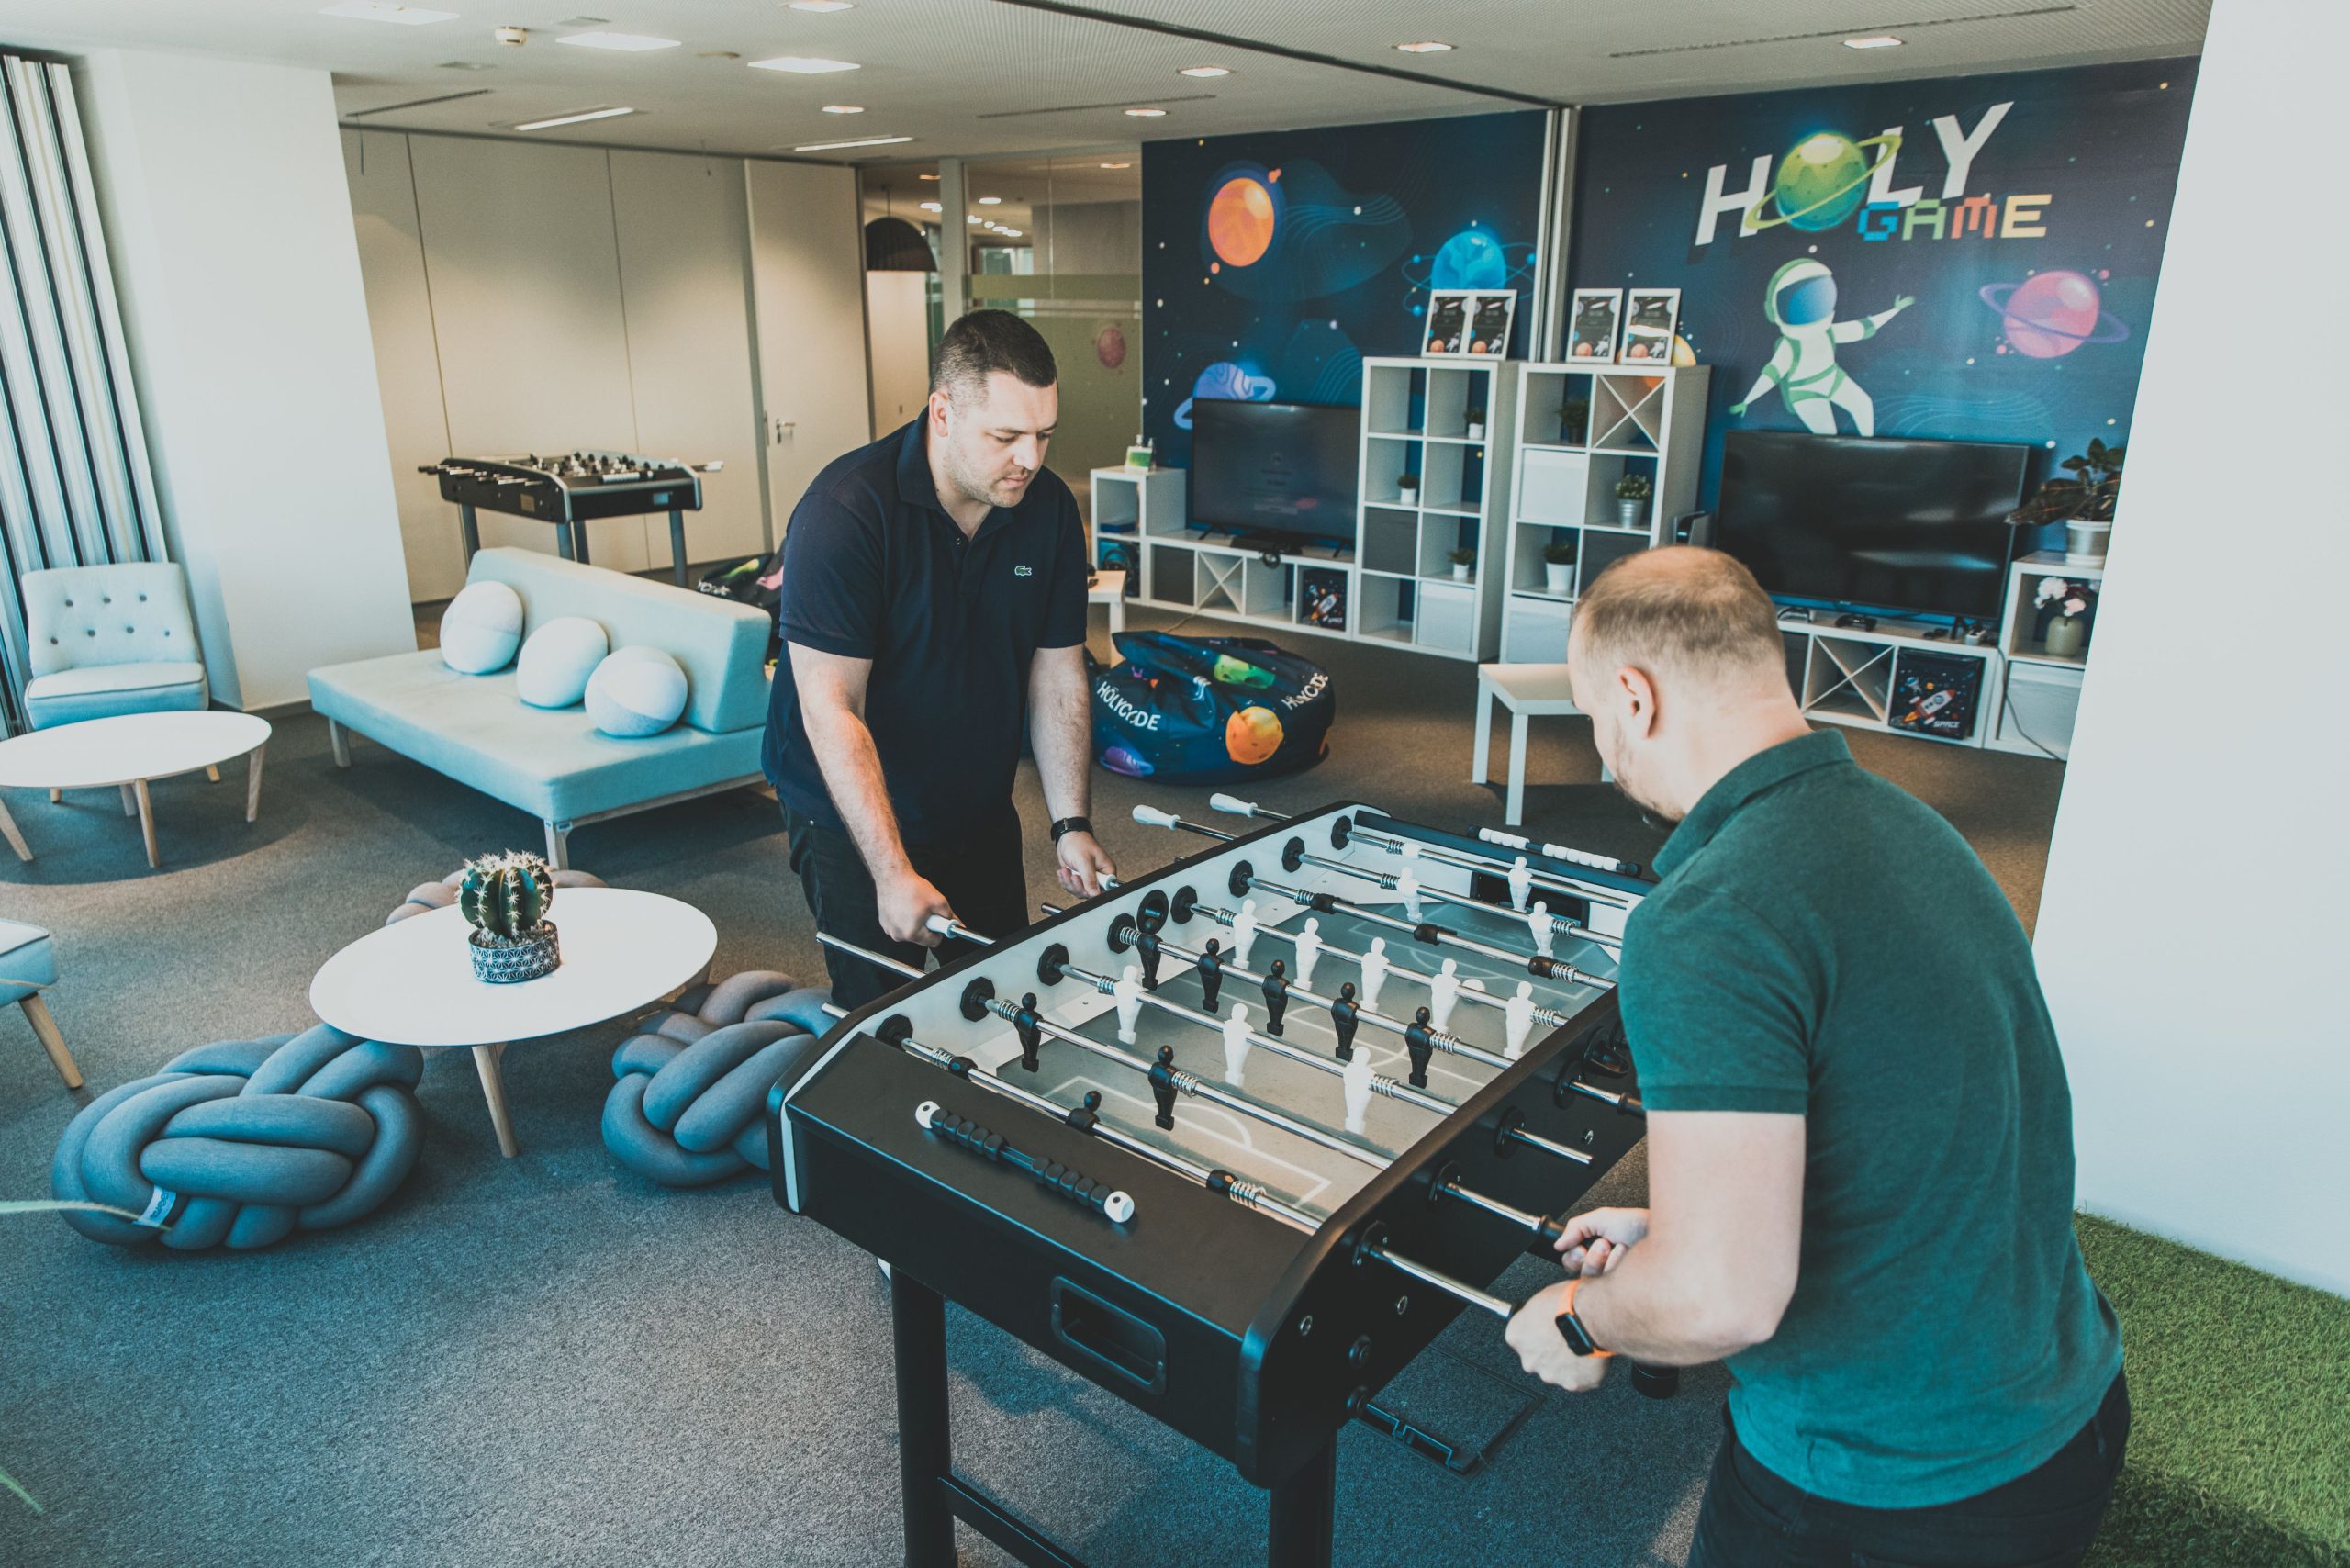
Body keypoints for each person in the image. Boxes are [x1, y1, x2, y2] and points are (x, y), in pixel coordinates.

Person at [1503, 548, 2127, 1568]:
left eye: (1591, 718)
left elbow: (1722, 1298)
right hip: (2065, 1406)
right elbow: (1904, 1128)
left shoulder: (1705, 915)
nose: (1606, 754)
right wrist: (1676, 1223)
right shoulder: (1913, 828)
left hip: (1889, 1489)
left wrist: (1580, 1320)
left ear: (1632, 694)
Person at [763, 309, 1115, 1008]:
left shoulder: (1044, 511)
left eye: (1044, 435)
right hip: (848, 810)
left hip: (974, 804)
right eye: (1007, 436)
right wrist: (892, 872)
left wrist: (1071, 823)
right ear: (943, 413)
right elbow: (832, 708)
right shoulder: (846, 513)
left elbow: (1058, 676)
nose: (1031, 459)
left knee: (997, 1000)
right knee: (885, 1020)